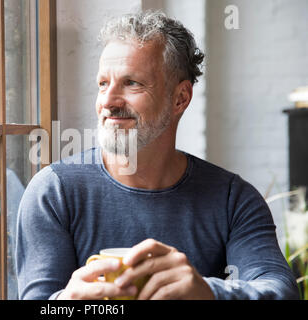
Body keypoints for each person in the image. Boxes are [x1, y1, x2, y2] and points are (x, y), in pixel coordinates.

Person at [15, 10, 299, 300]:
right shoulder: (53, 192)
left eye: (131, 83)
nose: (108, 102)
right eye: (103, 84)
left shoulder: (232, 199)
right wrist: (64, 303)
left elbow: (281, 291)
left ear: (180, 98)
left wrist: (207, 293)